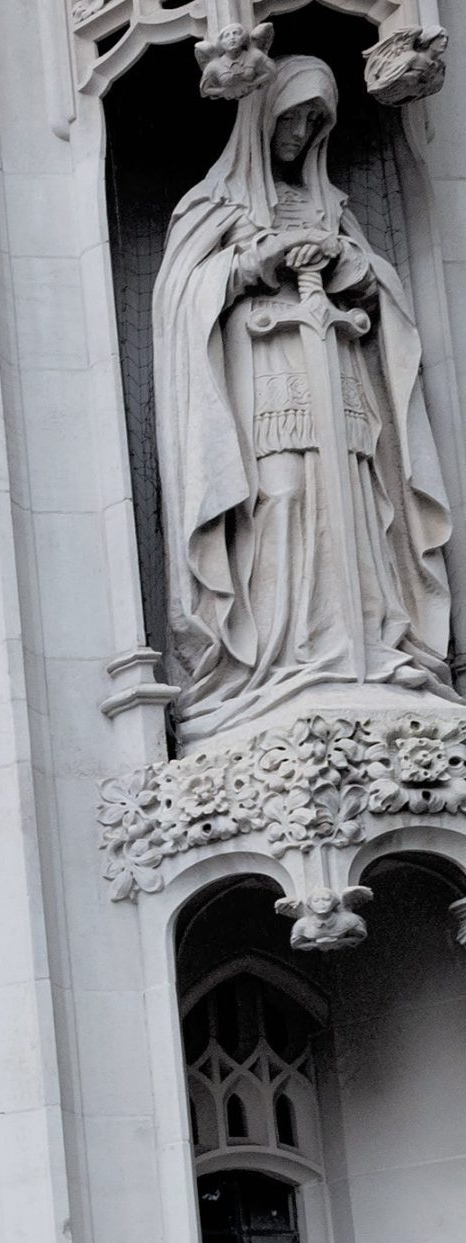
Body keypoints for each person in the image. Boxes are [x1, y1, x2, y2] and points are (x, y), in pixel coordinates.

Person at [152, 50, 449, 740]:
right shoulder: (211, 205)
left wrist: (355, 267)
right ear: (262, 117)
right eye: (293, 117)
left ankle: (364, 646)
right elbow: (179, 300)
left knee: (352, 501)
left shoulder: (335, 209)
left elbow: (386, 296)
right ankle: (278, 659)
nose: (302, 133)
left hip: (337, 375)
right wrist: (253, 263)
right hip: (261, 380)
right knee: (279, 498)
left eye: (317, 121)